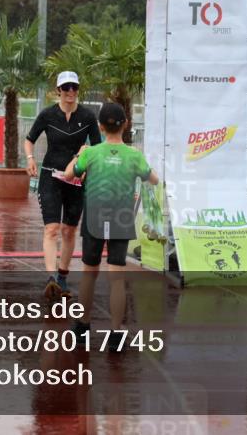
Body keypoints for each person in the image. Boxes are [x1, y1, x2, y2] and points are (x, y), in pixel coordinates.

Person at [64, 102, 158, 342]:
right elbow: (154, 180)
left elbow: (68, 174)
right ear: (125, 124)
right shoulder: (134, 155)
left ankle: (83, 327)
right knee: (117, 277)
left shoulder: (91, 153)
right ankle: (116, 333)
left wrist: (78, 153)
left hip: (95, 217)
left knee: (89, 273)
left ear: (100, 126)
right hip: (121, 218)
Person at [24, 71, 101, 298]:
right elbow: (29, 140)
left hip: (76, 180)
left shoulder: (87, 116)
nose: (70, 92)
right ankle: (50, 279)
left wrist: (86, 159)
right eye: (65, 88)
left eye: (74, 88)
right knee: (52, 228)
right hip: (50, 176)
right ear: (58, 90)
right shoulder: (47, 115)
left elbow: (97, 147)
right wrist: (29, 159)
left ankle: (63, 276)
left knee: (69, 230)